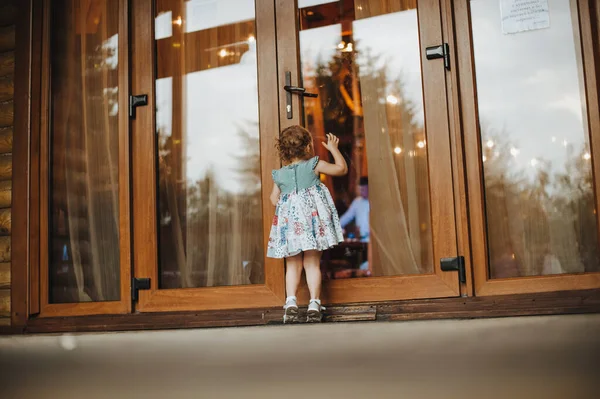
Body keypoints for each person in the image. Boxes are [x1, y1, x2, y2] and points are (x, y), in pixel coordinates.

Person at [268, 126, 348, 323]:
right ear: (308, 146)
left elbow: (273, 199)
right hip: (311, 226)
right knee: (312, 263)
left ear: (283, 150)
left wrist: (288, 205)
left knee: (292, 264)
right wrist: (333, 149)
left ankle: (291, 303)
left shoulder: (279, 175)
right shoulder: (314, 165)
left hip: (291, 227)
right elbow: (341, 169)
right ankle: (314, 303)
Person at [340, 177, 370, 243]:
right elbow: (347, 217)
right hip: (360, 240)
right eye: (360, 190)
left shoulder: (375, 202)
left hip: (372, 240)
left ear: (368, 188)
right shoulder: (357, 202)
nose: (361, 192)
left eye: (363, 190)